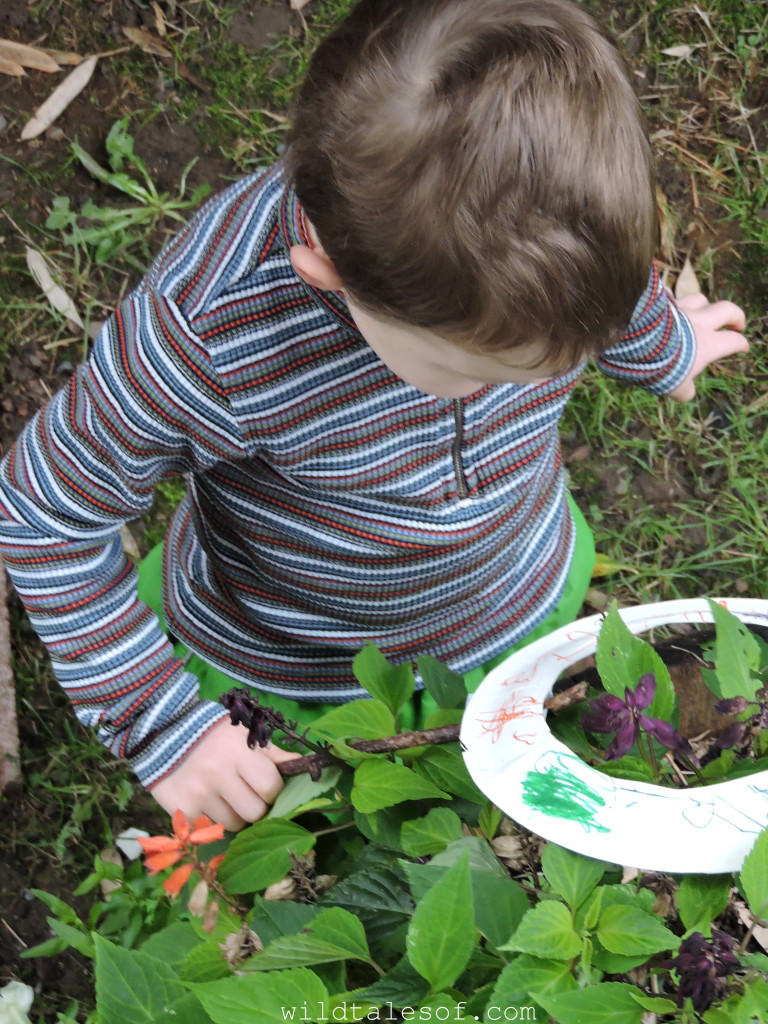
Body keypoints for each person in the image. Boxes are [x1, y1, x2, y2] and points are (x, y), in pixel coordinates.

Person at [0, 0, 747, 831]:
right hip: (302, 657)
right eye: (472, 375)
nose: (523, 386)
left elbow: (604, 281)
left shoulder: (555, 206)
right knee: (294, 833)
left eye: (567, 355)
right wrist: (165, 727)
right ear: (326, 269)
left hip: (513, 581)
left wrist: (654, 343)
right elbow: (44, 515)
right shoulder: (207, 340)